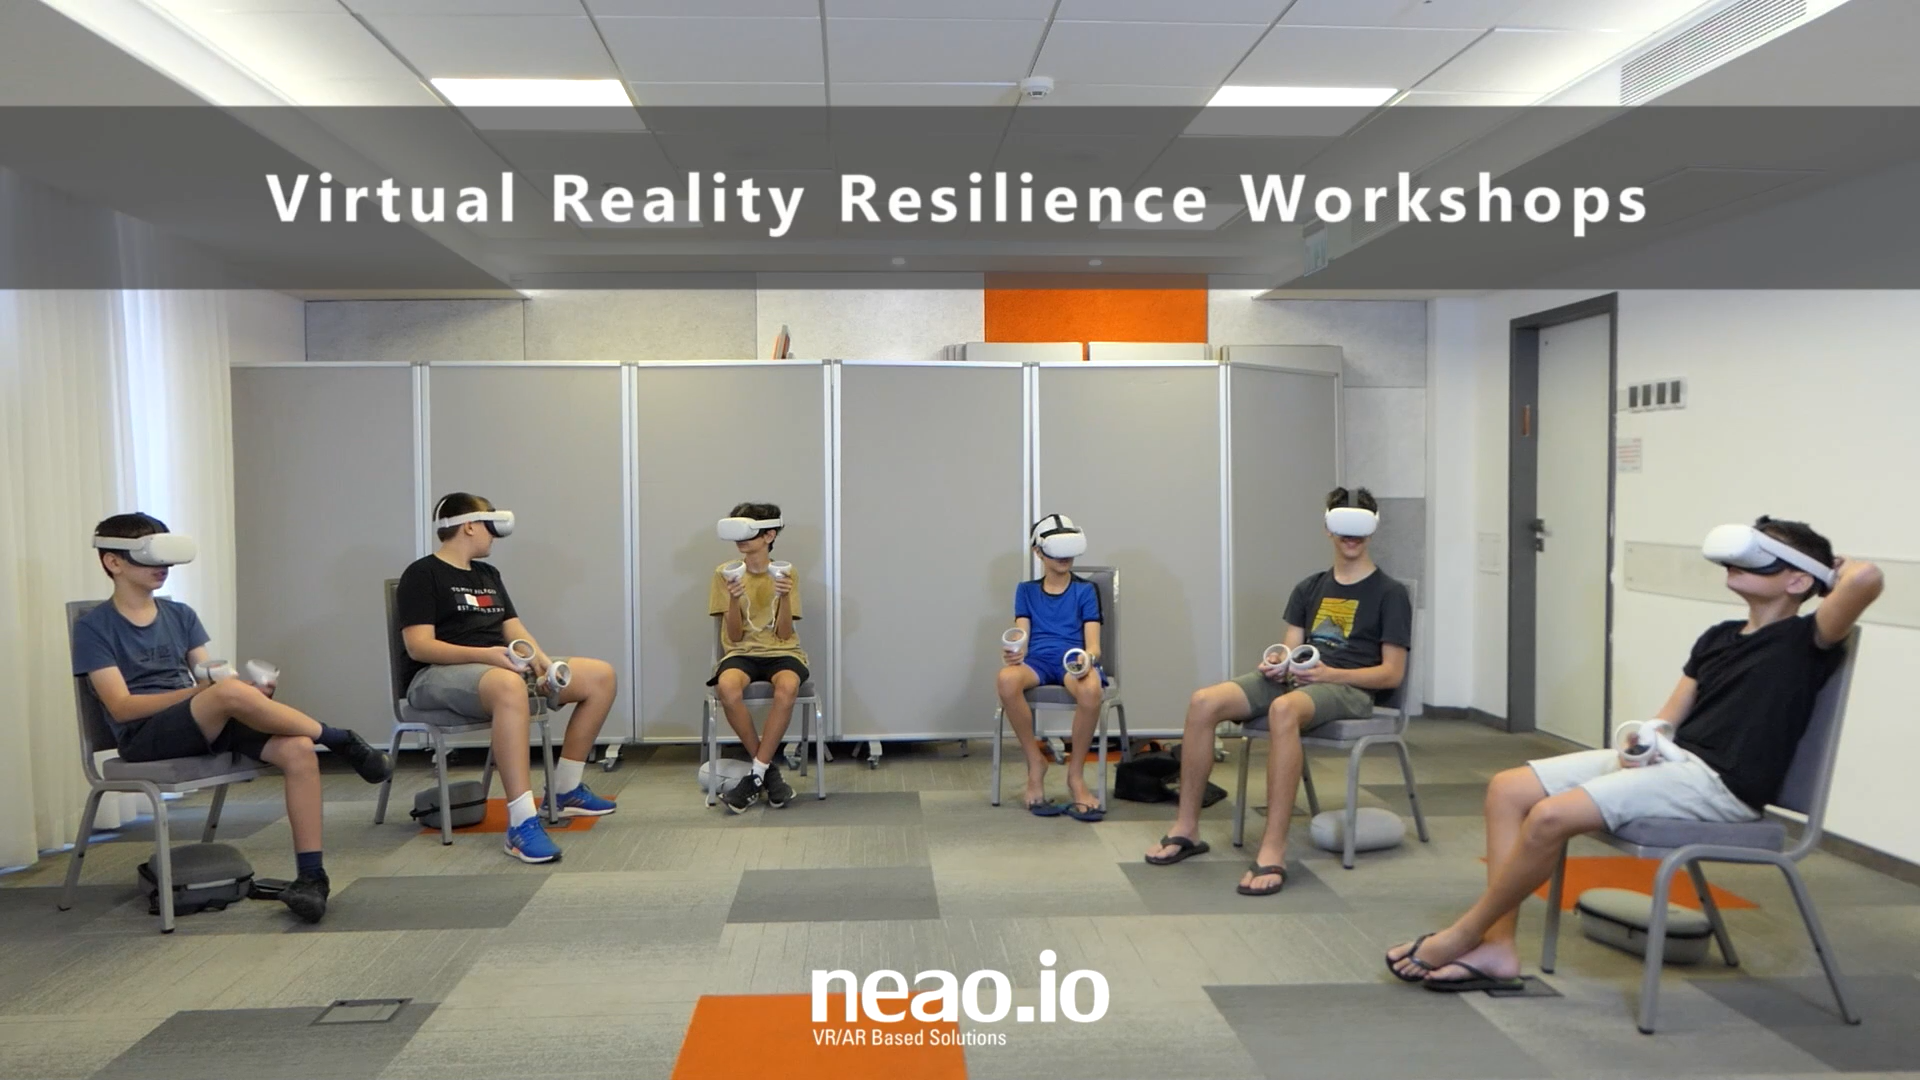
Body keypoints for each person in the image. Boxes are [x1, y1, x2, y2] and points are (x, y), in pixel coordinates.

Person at [1386, 516, 1881, 991]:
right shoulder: (1717, 637)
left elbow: (1869, 578)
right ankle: (1498, 947)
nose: (1737, 563)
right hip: (1674, 763)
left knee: (1549, 817)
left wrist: (1832, 568)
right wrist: (1642, 742)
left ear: (1798, 580)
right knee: (1507, 789)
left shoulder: (1809, 639)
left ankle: (1465, 934)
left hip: (1721, 785)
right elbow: (1667, 717)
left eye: (1760, 557)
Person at [73, 513, 392, 923]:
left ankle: (312, 877)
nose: (162, 568)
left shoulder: (180, 615)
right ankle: (337, 737)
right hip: (145, 736)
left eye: (167, 559)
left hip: (200, 721)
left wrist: (247, 696)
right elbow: (121, 707)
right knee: (227, 693)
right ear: (112, 562)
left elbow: (209, 675)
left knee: (297, 750)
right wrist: (212, 693)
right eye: (150, 558)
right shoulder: (95, 628)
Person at [1145, 487, 1412, 896]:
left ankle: (1273, 849)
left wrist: (1330, 675)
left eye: (1360, 526)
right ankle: (1186, 828)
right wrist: (1277, 661)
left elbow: (1392, 674)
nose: (1351, 536)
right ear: (1328, 529)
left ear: (1372, 530)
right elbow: (1290, 646)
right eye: (1343, 526)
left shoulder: (1390, 593)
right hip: (1300, 680)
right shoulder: (1310, 587)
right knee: (1204, 702)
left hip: (1350, 689)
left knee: (1283, 711)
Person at [397, 493, 620, 865]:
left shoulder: (487, 575)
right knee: (508, 685)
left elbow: (514, 631)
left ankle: (564, 790)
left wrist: (544, 666)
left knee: (600, 676)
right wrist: (488, 657)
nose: (495, 537)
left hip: (498, 669)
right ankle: (521, 823)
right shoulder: (422, 574)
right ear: (469, 525)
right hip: (437, 677)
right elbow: (419, 647)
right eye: (490, 526)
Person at [997, 514, 1108, 822]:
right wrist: (1014, 651)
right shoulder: (1026, 590)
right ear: (1039, 553)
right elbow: (1021, 635)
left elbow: (1094, 645)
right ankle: (1036, 763)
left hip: (1072, 661)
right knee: (1006, 680)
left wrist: (1087, 660)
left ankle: (1075, 776)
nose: (1064, 558)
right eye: (1057, 552)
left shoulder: (1085, 591)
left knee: (1091, 689)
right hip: (1038, 663)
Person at [709, 503, 807, 813]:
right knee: (727, 688)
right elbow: (734, 638)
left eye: (748, 531)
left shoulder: (786, 573)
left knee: (788, 687)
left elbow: (783, 634)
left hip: (784, 652)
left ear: (769, 534)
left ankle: (755, 775)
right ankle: (767, 773)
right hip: (741, 653)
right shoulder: (725, 574)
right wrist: (734, 601)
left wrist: (786, 596)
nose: (741, 540)